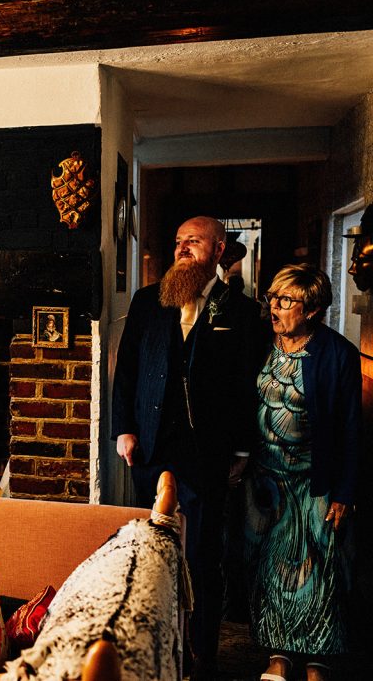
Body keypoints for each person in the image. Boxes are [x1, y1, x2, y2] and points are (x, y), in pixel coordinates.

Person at [111, 215, 266, 678]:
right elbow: (128, 371)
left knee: (201, 555)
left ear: (219, 250)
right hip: (151, 446)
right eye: (178, 241)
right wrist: (124, 428)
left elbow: (246, 384)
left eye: (193, 242)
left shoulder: (240, 311)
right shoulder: (146, 301)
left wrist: (241, 448)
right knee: (152, 550)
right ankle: (155, 647)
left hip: (207, 450)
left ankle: (203, 656)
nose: (182, 249)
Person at [243, 264, 360, 681]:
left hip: (315, 480)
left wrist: (345, 491)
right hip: (264, 480)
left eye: (285, 300)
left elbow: (350, 428)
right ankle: (278, 655)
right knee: (268, 570)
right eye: (272, 298)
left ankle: (317, 660)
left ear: (311, 310)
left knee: (317, 571)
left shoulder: (338, 354)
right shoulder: (258, 344)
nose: (273, 307)